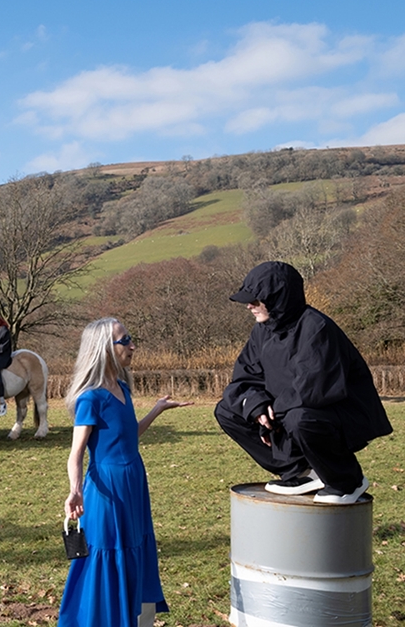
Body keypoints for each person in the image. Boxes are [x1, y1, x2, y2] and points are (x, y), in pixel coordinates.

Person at [214, 261, 392, 504]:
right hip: (290, 411)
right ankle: (301, 472)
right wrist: (257, 407)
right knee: (227, 410)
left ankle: (347, 481)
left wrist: (271, 418)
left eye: (255, 300)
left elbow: (314, 389)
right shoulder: (262, 331)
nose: (249, 306)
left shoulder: (317, 328)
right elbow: (244, 378)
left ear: (276, 298)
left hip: (339, 414)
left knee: (300, 418)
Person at [60, 317, 192, 627]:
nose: (133, 345)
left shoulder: (121, 388)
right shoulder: (90, 398)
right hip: (107, 490)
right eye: (125, 340)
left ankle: (132, 619)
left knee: (134, 548)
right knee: (107, 555)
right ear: (105, 348)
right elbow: (76, 452)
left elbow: (129, 435)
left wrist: (157, 410)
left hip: (133, 484)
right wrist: (75, 490)